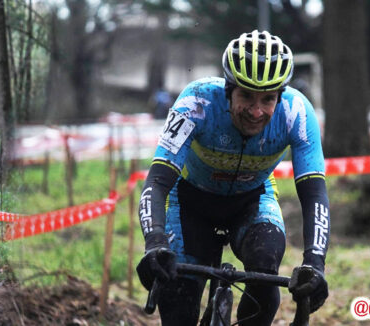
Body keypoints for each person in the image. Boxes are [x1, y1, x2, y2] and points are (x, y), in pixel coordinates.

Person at [136, 30, 330, 325]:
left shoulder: (297, 113)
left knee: (265, 270)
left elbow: (314, 195)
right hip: (190, 201)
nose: (256, 110)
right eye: (246, 96)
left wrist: (315, 263)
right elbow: (157, 182)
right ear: (228, 89)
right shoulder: (196, 103)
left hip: (252, 200)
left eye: (268, 99)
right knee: (177, 297)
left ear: (281, 95)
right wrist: (155, 243)